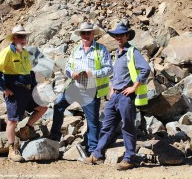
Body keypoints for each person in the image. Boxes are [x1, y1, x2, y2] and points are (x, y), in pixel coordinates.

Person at [83, 23, 151, 170]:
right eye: (116, 35)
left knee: (127, 127)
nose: (118, 37)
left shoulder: (132, 52)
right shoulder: (117, 53)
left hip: (126, 97)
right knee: (107, 126)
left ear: (127, 36)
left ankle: (129, 159)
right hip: (115, 96)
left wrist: (134, 87)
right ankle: (97, 155)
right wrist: (113, 87)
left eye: (121, 35)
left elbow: (145, 68)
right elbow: (118, 73)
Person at [49, 22, 113, 154]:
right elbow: (67, 67)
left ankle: (93, 150)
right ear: (80, 35)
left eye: (88, 33)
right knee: (58, 105)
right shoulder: (76, 49)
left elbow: (109, 69)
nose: (86, 36)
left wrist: (91, 73)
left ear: (93, 34)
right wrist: (71, 73)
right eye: (83, 33)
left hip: (91, 89)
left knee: (92, 120)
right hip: (74, 87)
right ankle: (54, 137)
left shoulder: (101, 49)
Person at [0, 25, 47, 162]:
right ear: (14, 38)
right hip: (14, 91)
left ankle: (26, 129)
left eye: (24, 37)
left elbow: (30, 73)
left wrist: (35, 90)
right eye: (20, 37)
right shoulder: (7, 52)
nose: (23, 39)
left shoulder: (25, 53)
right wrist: (4, 88)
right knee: (12, 120)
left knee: (42, 108)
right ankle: (11, 148)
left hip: (27, 90)